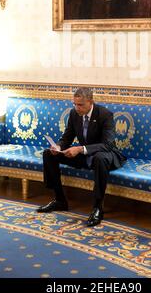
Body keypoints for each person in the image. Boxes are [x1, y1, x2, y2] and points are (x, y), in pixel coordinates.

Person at [36, 87, 126, 227]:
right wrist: (59, 147)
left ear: (91, 102)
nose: (77, 108)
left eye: (80, 105)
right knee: (49, 154)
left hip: (106, 155)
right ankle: (59, 200)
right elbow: (67, 137)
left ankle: (97, 208)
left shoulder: (105, 114)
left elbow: (107, 145)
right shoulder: (74, 114)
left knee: (100, 158)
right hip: (85, 155)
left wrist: (80, 149)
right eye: (75, 104)